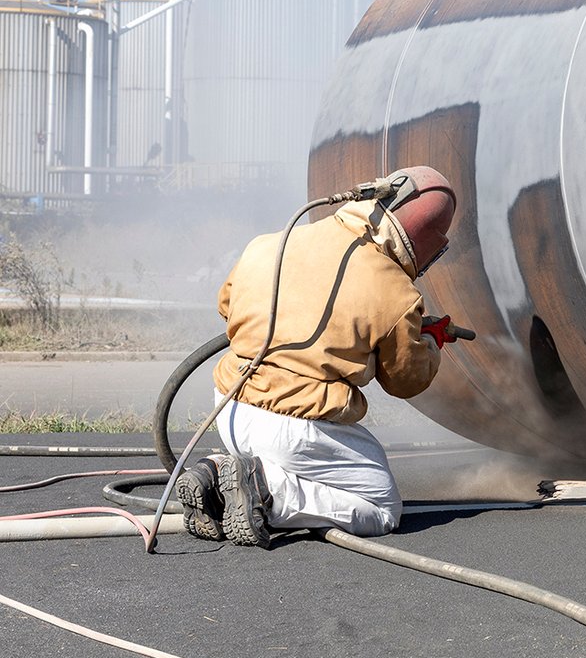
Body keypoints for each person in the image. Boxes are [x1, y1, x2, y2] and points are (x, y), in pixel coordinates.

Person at [174, 166, 460, 547]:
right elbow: (405, 380)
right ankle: (265, 491)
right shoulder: (396, 294)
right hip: (292, 430)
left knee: (304, 466)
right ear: (427, 243)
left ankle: (217, 474)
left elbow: (226, 305)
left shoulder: (272, 242)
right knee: (381, 505)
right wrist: (429, 342)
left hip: (227, 410)